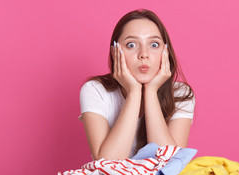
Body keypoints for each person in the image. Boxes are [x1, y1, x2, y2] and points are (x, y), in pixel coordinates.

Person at [79, 9, 195, 160]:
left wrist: (151, 91)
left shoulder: (181, 94)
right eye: (132, 45)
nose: (144, 54)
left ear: (165, 52)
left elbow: (169, 165)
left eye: (154, 44)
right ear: (115, 52)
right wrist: (134, 92)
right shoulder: (95, 90)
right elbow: (106, 163)